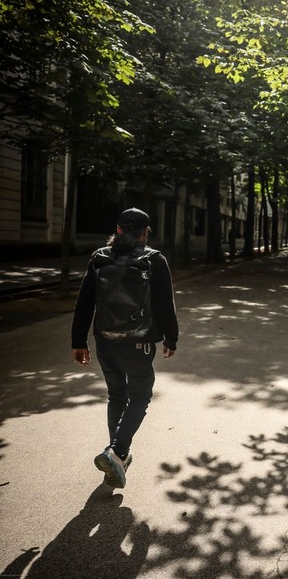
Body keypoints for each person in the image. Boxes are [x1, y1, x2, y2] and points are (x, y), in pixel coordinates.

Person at [71, 208, 179, 489]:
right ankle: (117, 452)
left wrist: (78, 341)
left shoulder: (99, 257)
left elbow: (85, 302)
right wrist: (171, 338)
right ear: (145, 232)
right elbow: (165, 304)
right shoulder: (154, 260)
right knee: (140, 396)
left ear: (118, 230)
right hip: (139, 342)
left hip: (105, 340)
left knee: (116, 395)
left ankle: (117, 456)